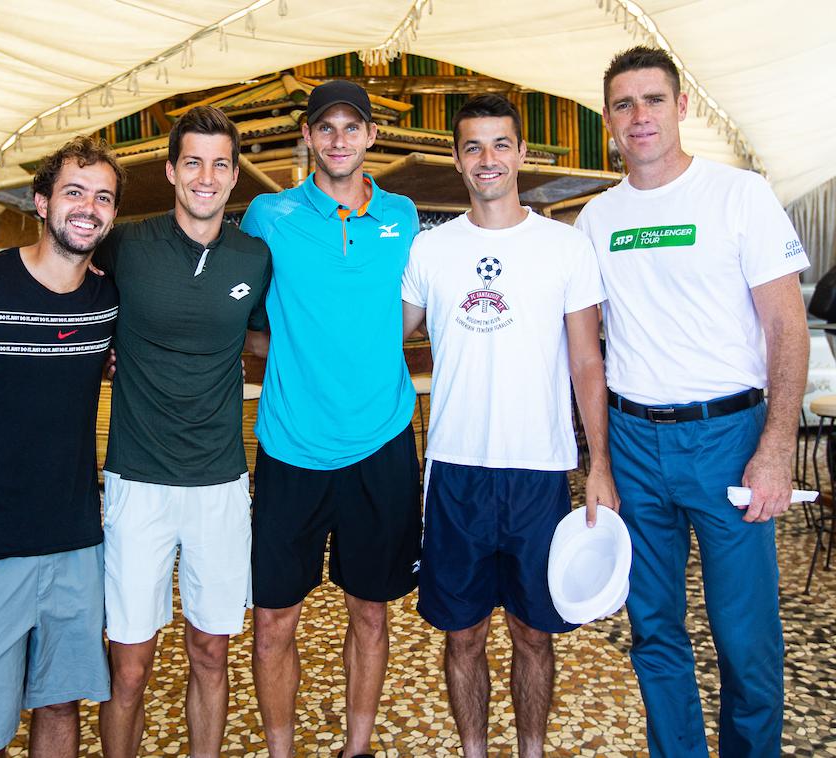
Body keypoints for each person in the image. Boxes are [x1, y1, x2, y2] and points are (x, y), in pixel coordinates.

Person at [574, 46, 809, 757]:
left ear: (681, 108)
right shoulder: (596, 218)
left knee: (746, 640)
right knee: (654, 632)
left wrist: (775, 449)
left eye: (652, 100)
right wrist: (600, 464)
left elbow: (786, 329)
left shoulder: (739, 196)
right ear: (609, 120)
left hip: (728, 439)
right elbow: (589, 350)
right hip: (635, 441)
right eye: (623, 104)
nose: (638, 115)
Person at [400, 94, 617, 758]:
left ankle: (529, 750)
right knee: (461, 634)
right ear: (457, 159)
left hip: (540, 472)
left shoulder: (565, 246)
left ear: (522, 153)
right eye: (472, 146)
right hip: (456, 471)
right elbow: (378, 344)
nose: (487, 159)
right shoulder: (431, 250)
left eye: (500, 145)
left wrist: (598, 467)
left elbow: (586, 360)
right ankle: (473, 751)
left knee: (533, 632)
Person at [240, 80, 421, 758]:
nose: (339, 139)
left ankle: (357, 747)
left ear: (371, 136)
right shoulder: (268, 215)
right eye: (326, 127)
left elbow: (417, 311)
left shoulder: (403, 216)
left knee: (370, 611)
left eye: (352, 127)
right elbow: (240, 316)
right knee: (272, 622)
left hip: (382, 446)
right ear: (309, 137)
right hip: (291, 448)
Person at [95, 105, 271, 758]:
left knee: (210, 651)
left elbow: (260, 338)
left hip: (220, 483)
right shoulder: (128, 245)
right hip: (136, 482)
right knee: (130, 664)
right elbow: (75, 293)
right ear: (171, 171)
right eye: (192, 162)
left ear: (233, 177)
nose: (206, 176)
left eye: (219, 164)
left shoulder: (254, 258)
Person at [0, 136, 123, 757]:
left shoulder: (108, 299)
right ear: (42, 201)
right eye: (74, 192)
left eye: (102, 198)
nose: (88, 207)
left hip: (74, 538)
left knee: (60, 700)